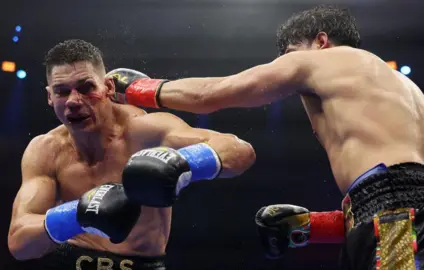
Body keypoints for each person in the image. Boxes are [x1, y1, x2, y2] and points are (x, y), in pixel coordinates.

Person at [106, 5, 424, 269]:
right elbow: (420, 196)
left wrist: (138, 88)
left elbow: (213, 93)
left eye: (287, 54)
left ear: (320, 41)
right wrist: (312, 227)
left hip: (400, 226)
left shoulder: (321, 60)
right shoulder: (405, 89)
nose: (284, 67)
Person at [7, 39, 256, 270]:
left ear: (108, 87)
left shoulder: (146, 132)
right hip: (69, 261)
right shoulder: (46, 149)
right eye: (62, 91)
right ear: (50, 97)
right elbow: (19, 243)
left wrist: (184, 162)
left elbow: (239, 151)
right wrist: (79, 213)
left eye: (86, 88)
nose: (73, 100)